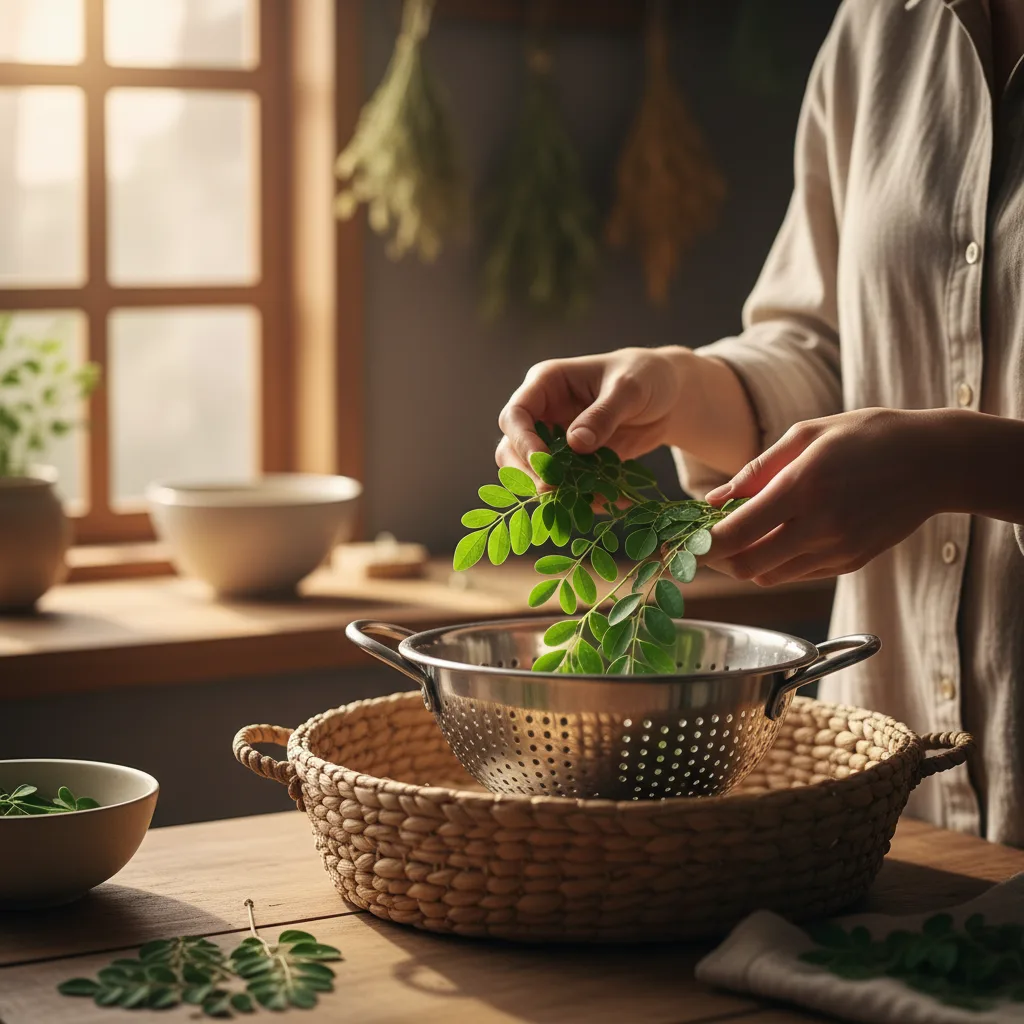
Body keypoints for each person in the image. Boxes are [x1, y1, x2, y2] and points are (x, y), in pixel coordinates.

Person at [494, 0, 1024, 846]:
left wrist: (958, 465)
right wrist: (676, 388)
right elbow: (827, 347)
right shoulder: (882, 26)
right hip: (892, 797)